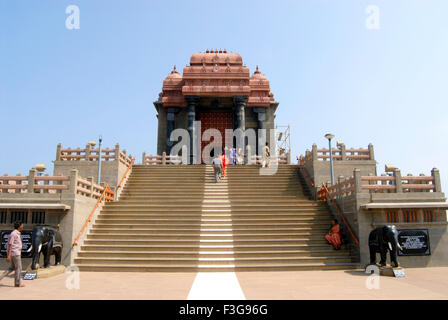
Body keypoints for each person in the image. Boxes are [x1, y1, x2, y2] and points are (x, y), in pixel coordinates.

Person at [0, 221, 24, 287]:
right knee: (19, 268)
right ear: (19, 226)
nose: (23, 226)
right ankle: (17, 283)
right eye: (22, 225)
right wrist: (8, 256)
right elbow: (10, 244)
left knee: (11, 268)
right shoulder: (14, 234)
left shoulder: (17, 233)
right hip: (15, 253)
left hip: (16, 253)